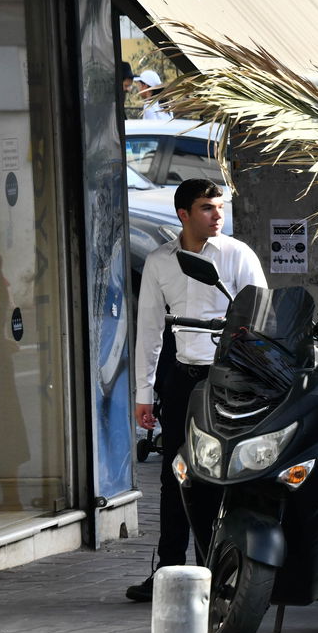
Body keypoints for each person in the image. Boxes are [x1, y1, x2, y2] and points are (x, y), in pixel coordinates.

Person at [126, 179, 265, 602]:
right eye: (207, 208)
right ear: (183, 214)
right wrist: (143, 393)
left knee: (225, 474)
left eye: (219, 207)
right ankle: (168, 570)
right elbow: (149, 329)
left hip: (231, 380)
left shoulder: (237, 254)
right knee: (177, 473)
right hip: (183, 377)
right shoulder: (160, 261)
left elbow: (261, 316)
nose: (217, 215)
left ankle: (218, 569)